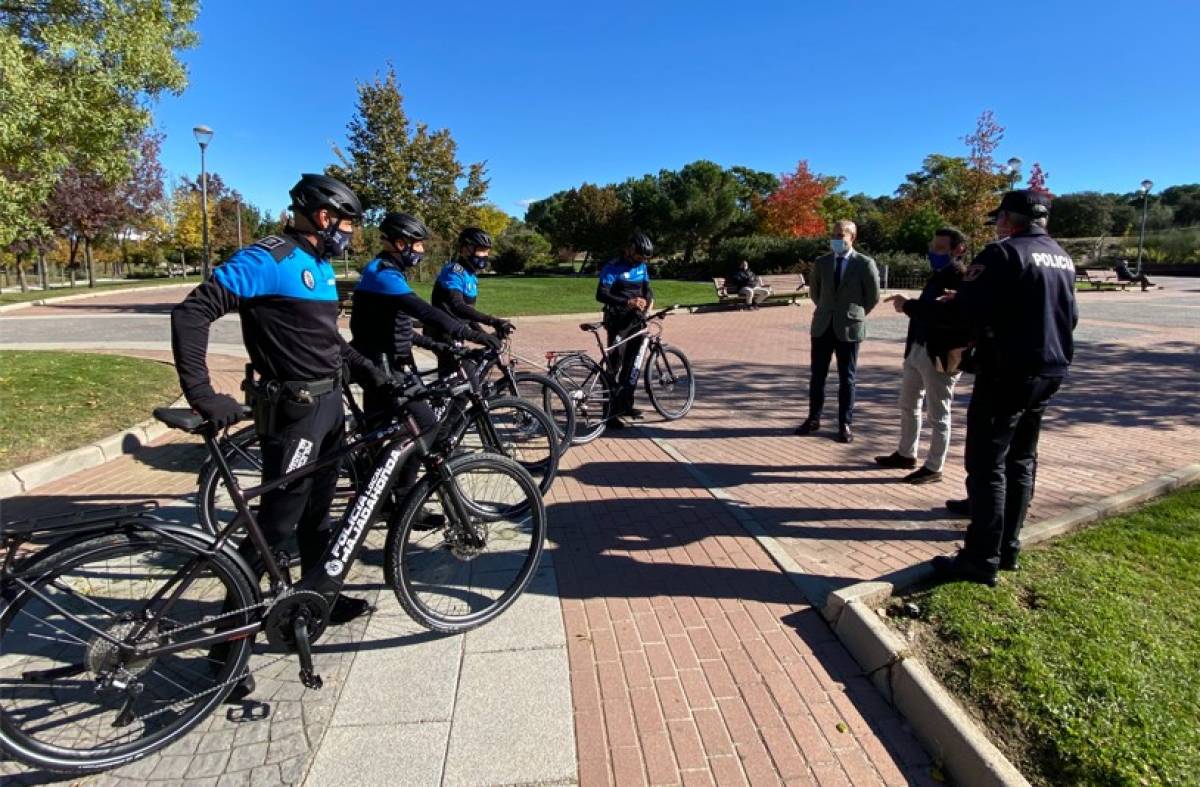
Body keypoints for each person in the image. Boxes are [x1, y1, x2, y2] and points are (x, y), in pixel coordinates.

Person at [171, 174, 389, 699]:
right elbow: (193, 310)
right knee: (274, 529)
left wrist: (370, 370)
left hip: (329, 406)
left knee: (319, 516)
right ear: (323, 217)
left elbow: (325, 340)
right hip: (294, 414)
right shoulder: (269, 257)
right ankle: (227, 648)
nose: (352, 233)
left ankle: (322, 599)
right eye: (348, 223)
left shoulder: (318, 266)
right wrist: (202, 392)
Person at [893, 190, 1078, 586]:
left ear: (1011, 219)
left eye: (999, 218)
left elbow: (961, 315)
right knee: (1022, 460)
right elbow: (1061, 312)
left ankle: (979, 558)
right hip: (1049, 369)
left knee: (987, 465)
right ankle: (1008, 546)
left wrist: (913, 307)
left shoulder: (1002, 252)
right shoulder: (1061, 256)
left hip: (1006, 371)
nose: (996, 224)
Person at [877, 227, 972, 484]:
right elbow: (929, 309)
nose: (934, 253)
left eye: (940, 249)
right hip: (918, 349)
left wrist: (908, 305)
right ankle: (906, 453)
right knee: (908, 404)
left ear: (958, 249)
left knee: (938, 413)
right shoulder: (938, 274)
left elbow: (943, 316)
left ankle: (934, 467)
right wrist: (912, 304)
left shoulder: (962, 278)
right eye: (932, 248)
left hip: (940, 356)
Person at [794, 220, 880, 443]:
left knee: (847, 378)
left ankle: (845, 423)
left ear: (852, 237)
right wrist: (827, 310)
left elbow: (872, 297)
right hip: (823, 326)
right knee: (817, 376)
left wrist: (854, 314)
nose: (836, 239)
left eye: (841, 235)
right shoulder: (822, 262)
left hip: (849, 327)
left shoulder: (864, 263)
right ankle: (813, 418)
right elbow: (816, 293)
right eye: (834, 234)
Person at [429, 227, 515, 377]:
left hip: (456, 332)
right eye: (481, 250)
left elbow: (467, 314)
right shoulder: (454, 272)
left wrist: (485, 336)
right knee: (464, 382)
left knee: (465, 381)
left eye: (487, 251)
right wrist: (492, 321)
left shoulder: (470, 275)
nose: (485, 255)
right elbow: (457, 306)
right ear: (465, 249)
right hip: (443, 332)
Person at [596, 231, 655, 427]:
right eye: (639, 255)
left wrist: (649, 303)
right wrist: (627, 302)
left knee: (633, 366)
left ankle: (626, 405)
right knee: (614, 366)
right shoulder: (613, 267)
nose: (641, 260)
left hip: (636, 322)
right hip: (617, 323)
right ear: (629, 250)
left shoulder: (642, 266)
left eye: (645, 257)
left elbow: (647, 289)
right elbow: (601, 294)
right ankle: (610, 413)